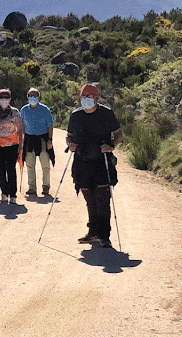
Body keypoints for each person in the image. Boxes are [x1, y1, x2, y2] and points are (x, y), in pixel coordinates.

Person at [66, 84, 122, 248]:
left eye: (90, 96)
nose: (86, 99)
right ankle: (93, 233)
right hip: (81, 162)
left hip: (102, 161)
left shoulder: (106, 113)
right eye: (84, 96)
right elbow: (69, 136)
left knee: (103, 199)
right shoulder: (75, 115)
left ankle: (104, 236)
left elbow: (118, 133)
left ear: (96, 98)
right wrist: (70, 144)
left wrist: (112, 145)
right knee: (90, 200)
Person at [20, 87, 55, 196]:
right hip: (29, 139)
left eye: (35, 95)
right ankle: (32, 188)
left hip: (43, 139)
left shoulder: (45, 109)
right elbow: (21, 127)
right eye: (30, 95)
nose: (33, 97)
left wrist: (50, 140)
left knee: (45, 165)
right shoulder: (24, 110)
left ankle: (46, 187)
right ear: (27, 97)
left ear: (39, 97)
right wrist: (21, 142)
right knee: (30, 165)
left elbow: (50, 125)